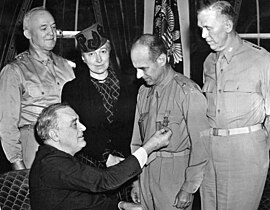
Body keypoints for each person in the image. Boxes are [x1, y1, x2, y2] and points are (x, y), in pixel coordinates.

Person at [29, 103, 172, 210]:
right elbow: (105, 181)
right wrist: (149, 147)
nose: (83, 127)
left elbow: (80, 200)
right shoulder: (51, 163)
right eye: (74, 124)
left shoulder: (55, 158)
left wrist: (121, 205)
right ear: (55, 134)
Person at [197, 1, 270, 210]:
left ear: (228, 26)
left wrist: (260, 152)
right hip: (210, 151)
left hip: (245, 153)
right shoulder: (208, 62)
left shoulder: (261, 60)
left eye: (208, 28)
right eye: (201, 28)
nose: (203, 35)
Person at [129, 34, 210, 210]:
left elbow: (202, 147)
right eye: (136, 68)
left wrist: (189, 188)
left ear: (161, 59)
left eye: (143, 68)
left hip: (174, 178)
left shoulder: (188, 92)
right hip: (145, 176)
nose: (138, 75)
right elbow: (136, 142)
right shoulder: (143, 92)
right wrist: (136, 180)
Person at [61, 23, 137, 201]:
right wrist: (104, 157)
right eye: (91, 54)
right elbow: (72, 130)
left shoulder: (129, 86)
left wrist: (133, 170)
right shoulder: (72, 89)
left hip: (125, 165)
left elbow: (135, 127)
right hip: (89, 167)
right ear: (83, 58)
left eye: (102, 52)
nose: (98, 59)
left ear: (110, 52)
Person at [0, 6, 75, 170]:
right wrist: (18, 167)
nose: (51, 32)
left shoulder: (66, 67)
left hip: (68, 148)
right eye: (44, 28)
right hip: (33, 148)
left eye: (54, 27)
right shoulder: (14, 71)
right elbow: (7, 125)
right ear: (28, 34)